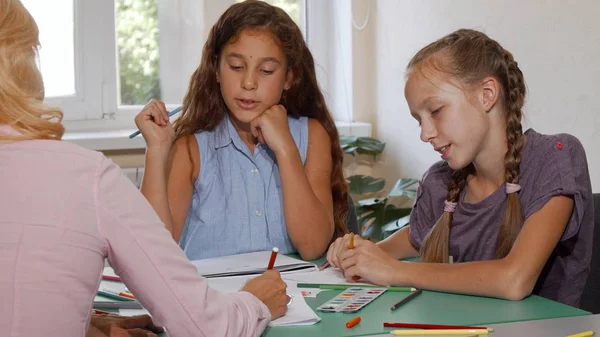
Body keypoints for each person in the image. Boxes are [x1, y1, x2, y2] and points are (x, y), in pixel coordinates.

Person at [0, 1, 289, 336]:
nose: (249, 83)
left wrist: (92, 327)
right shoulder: (86, 176)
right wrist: (255, 302)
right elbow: (203, 325)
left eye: (266, 71)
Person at [326, 29, 593, 307]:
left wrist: (396, 271)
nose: (425, 133)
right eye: (419, 119)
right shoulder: (440, 182)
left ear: (486, 94)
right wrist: (357, 254)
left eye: (436, 111)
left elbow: (514, 280)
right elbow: (411, 241)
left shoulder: (555, 158)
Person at [135, 0, 349, 261]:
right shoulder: (191, 148)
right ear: (216, 69)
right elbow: (153, 254)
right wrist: (157, 151)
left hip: (290, 297)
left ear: (289, 78)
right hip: (213, 299)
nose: (248, 82)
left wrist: (285, 148)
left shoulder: (312, 135)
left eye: (267, 70)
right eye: (236, 67)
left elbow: (313, 245)